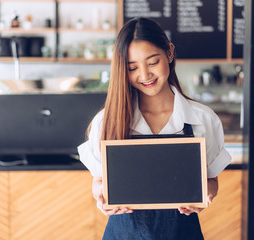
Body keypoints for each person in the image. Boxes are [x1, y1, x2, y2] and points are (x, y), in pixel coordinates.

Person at [77, 17, 231, 240]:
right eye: (132, 67)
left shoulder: (202, 119)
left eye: (152, 62)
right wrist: (101, 197)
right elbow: (98, 181)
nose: (145, 75)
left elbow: (212, 180)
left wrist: (206, 193)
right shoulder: (106, 122)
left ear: (169, 53)